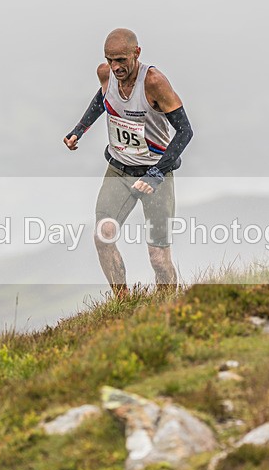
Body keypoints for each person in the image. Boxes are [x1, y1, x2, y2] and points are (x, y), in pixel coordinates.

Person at [63, 28, 193, 297]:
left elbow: (185, 131)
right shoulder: (106, 74)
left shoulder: (154, 82)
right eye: (110, 60)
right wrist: (79, 129)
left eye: (122, 60)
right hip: (118, 169)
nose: (116, 67)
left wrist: (156, 174)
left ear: (137, 53)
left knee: (158, 257)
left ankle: (168, 306)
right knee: (103, 236)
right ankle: (122, 302)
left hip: (155, 173)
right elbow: (103, 97)